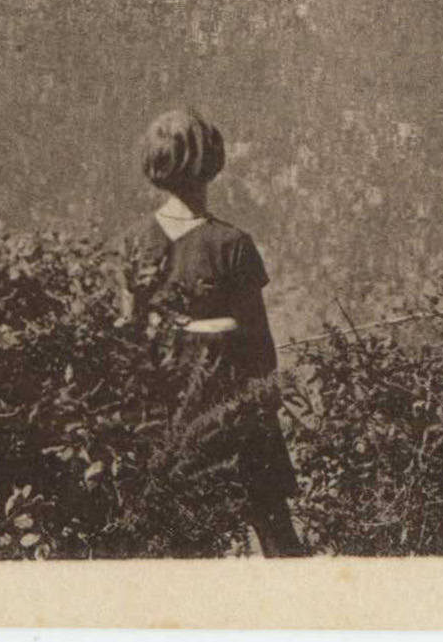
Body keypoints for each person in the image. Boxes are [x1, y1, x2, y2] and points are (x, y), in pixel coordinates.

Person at [115, 108, 309, 557]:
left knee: (169, 539)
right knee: (276, 532)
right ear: (211, 162)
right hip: (231, 411)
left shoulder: (133, 241)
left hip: (162, 415)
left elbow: (130, 334)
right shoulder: (232, 245)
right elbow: (259, 347)